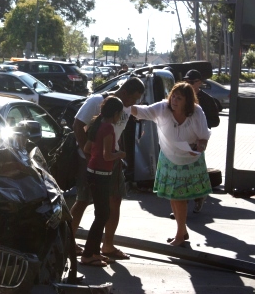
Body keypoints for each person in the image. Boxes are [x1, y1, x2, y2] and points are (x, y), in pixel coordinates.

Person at [71, 77, 145, 260]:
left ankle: (108, 245)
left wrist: (118, 155)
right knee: (83, 200)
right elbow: (77, 125)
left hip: (111, 162)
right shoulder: (97, 101)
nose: (133, 104)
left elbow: (115, 135)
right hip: (91, 162)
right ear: (125, 92)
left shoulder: (124, 108)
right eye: (133, 98)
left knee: (115, 200)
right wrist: (88, 155)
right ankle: (69, 242)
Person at [130, 82, 212, 246]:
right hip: (169, 158)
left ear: (187, 101)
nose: (174, 100)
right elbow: (141, 112)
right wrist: (123, 103)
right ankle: (182, 230)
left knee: (179, 197)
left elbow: (204, 137)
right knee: (173, 197)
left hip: (190, 160)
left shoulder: (196, 112)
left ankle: (180, 236)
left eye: (179, 98)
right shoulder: (162, 108)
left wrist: (199, 147)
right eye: (173, 95)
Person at [80, 97, 126, 267]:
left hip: (92, 172)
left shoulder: (97, 123)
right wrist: (119, 154)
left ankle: (94, 252)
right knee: (102, 215)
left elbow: (86, 148)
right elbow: (108, 155)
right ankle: (87, 255)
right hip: (101, 175)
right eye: (120, 115)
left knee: (101, 214)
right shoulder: (108, 127)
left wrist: (98, 155)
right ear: (115, 113)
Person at [183, 69, 220, 213]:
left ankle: (199, 198)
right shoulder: (181, 97)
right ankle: (182, 204)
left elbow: (215, 121)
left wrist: (201, 124)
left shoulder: (206, 99)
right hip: (182, 139)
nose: (188, 84)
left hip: (199, 139)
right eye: (186, 81)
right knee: (183, 170)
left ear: (199, 83)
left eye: (191, 82)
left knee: (195, 171)